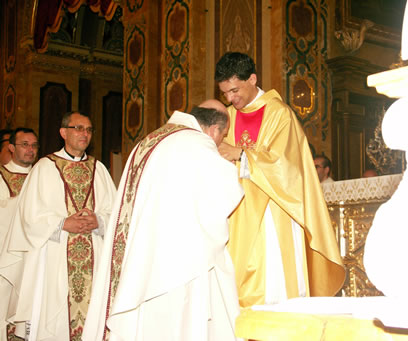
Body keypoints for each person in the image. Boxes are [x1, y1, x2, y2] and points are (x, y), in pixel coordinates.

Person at [82, 100, 244, 341]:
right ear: (213, 130)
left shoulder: (150, 140)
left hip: (142, 251)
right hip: (173, 261)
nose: (221, 143)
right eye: (222, 136)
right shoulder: (197, 143)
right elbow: (226, 190)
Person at [215, 52, 345, 308]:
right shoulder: (227, 117)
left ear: (252, 79)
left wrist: (242, 154)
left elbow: (288, 169)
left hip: (274, 215)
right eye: (225, 93)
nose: (231, 98)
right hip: (235, 214)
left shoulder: (279, 114)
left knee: (272, 284)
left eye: (234, 90)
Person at [0, 111, 117, 341]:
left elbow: (115, 211)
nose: (85, 134)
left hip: (94, 254)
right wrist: (63, 223)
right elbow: (29, 217)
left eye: (89, 129)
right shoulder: (44, 167)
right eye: (79, 128)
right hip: (55, 255)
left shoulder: (99, 169)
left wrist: (99, 221)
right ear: (63, 132)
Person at [0, 127, 38, 341]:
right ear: (11, 148)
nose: (30, 150)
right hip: (7, 257)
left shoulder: (42, 176)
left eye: (34, 145)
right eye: (24, 144)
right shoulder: (1, 176)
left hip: (35, 256)